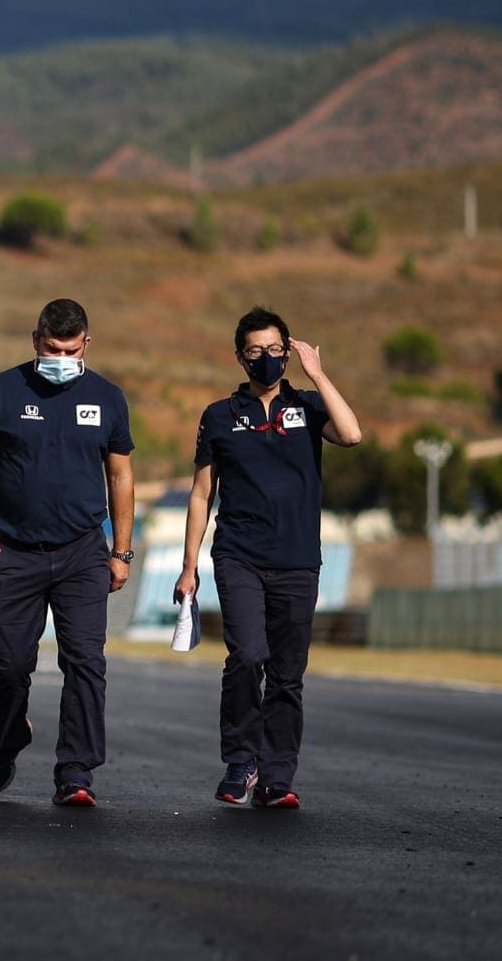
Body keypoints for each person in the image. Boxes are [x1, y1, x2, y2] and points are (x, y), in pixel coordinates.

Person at [174, 306, 361, 810]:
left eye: (275, 350)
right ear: (240, 357)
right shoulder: (219, 415)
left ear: (288, 350)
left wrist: (318, 375)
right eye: (255, 352)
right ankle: (241, 760)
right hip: (239, 555)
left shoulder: (307, 406)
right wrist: (189, 566)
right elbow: (200, 494)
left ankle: (279, 775)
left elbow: (352, 434)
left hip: (299, 560)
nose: (266, 360)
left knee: (286, 674)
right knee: (247, 657)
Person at [0, 297, 134, 808]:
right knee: (9, 664)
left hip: (81, 553)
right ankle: (6, 740)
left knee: (85, 662)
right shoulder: (1, 389)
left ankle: (75, 772)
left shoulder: (108, 397)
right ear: (35, 341)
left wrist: (122, 550)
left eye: (71, 350)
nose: (61, 357)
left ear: (87, 345)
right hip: (15, 553)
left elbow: (120, 475)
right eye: (52, 348)